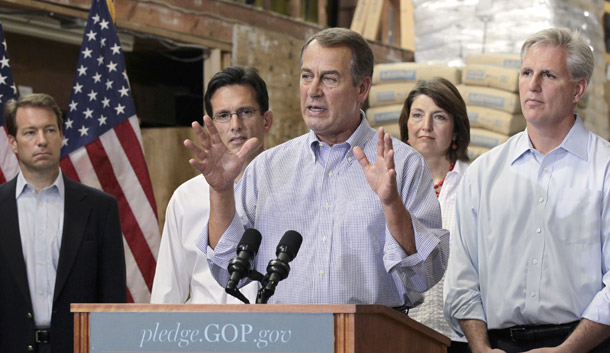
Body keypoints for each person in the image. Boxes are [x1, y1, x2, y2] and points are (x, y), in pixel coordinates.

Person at [186, 27, 449, 307]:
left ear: (362, 88)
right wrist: (221, 191)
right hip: (285, 339)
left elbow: (425, 276)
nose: (313, 91)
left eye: (329, 79)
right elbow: (229, 271)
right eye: (306, 77)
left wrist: (391, 204)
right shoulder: (267, 168)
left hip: (371, 340)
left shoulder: (403, 164)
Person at [444, 27, 610, 353]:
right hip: (497, 346)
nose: (532, 86)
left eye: (548, 75)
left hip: (587, 345)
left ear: (578, 89)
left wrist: (567, 351)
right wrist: (480, 348)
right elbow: (462, 278)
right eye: (526, 72)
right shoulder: (483, 174)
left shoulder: (604, 169)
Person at [0, 93, 126, 353]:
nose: (42, 141)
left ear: (61, 136)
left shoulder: (100, 208)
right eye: (30, 133)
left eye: (49, 130)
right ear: (12, 142)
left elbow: (112, 298)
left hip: (79, 347)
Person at [151, 66, 272, 304]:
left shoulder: (293, 187)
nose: (235, 124)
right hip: (204, 337)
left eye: (245, 112)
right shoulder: (186, 198)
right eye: (224, 115)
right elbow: (167, 293)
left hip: (274, 334)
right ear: (212, 125)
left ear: (266, 121)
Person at [399, 77, 470, 353]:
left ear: (455, 130)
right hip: (399, 331)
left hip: (461, 337)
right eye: (417, 115)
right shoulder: (387, 184)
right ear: (407, 124)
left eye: (438, 117)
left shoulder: (473, 183)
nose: (425, 126)